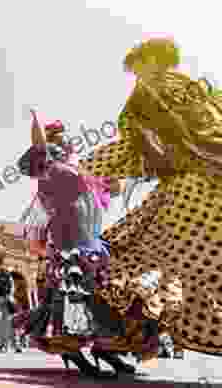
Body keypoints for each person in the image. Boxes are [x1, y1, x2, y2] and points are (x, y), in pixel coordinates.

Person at [79, 37, 222, 359]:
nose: (137, 75)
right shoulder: (201, 92)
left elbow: (133, 148)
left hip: (190, 191)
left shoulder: (152, 93)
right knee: (194, 266)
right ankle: (135, 335)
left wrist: (84, 170)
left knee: (153, 260)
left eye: (138, 67)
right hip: (209, 188)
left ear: (152, 61)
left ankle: (131, 335)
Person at [14, 109, 136, 376]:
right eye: (59, 140)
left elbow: (107, 189)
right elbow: (38, 144)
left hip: (89, 238)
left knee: (99, 294)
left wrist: (119, 181)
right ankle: (73, 349)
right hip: (69, 239)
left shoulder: (75, 170)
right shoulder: (48, 167)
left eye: (66, 138)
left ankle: (105, 348)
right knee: (75, 294)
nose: (67, 142)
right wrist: (36, 120)